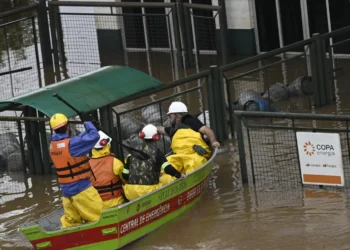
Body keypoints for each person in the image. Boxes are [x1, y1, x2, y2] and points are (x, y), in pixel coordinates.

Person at [49, 113, 103, 228]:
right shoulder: (72, 145)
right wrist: (87, 122)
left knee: (71, 224)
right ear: (68, 126)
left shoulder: (53, 145)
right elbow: (94, 136)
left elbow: (77, 140)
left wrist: (90, 128)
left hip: (66, 193)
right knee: (99, 219)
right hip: (82, 190)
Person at [157, 101, 220, 184]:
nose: (169, 118)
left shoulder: (190, 120)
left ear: (178, 115)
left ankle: (190, 183)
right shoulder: (173, 129)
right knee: (165, 166)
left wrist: (214, 142)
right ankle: (171, 184)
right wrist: (149, 129)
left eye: (170, 115)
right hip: (179, 155)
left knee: (194, 164)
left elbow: (207, 130)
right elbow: (160, 129)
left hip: (194, 153)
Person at [122, 124, 184, 201]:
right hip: (148, 193)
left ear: (142, 137)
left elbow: (124, 175)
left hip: (130, 193)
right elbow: (168, 169)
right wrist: (180, 175)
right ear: (156, 138)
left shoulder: (131, 153)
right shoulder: (157, 153)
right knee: (165, 182)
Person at [89, 131, 126, 209]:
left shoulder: (87, 164)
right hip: (116, 203)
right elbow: (125, 181)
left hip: (96, 205)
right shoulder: (115, 162)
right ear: (107, 145)